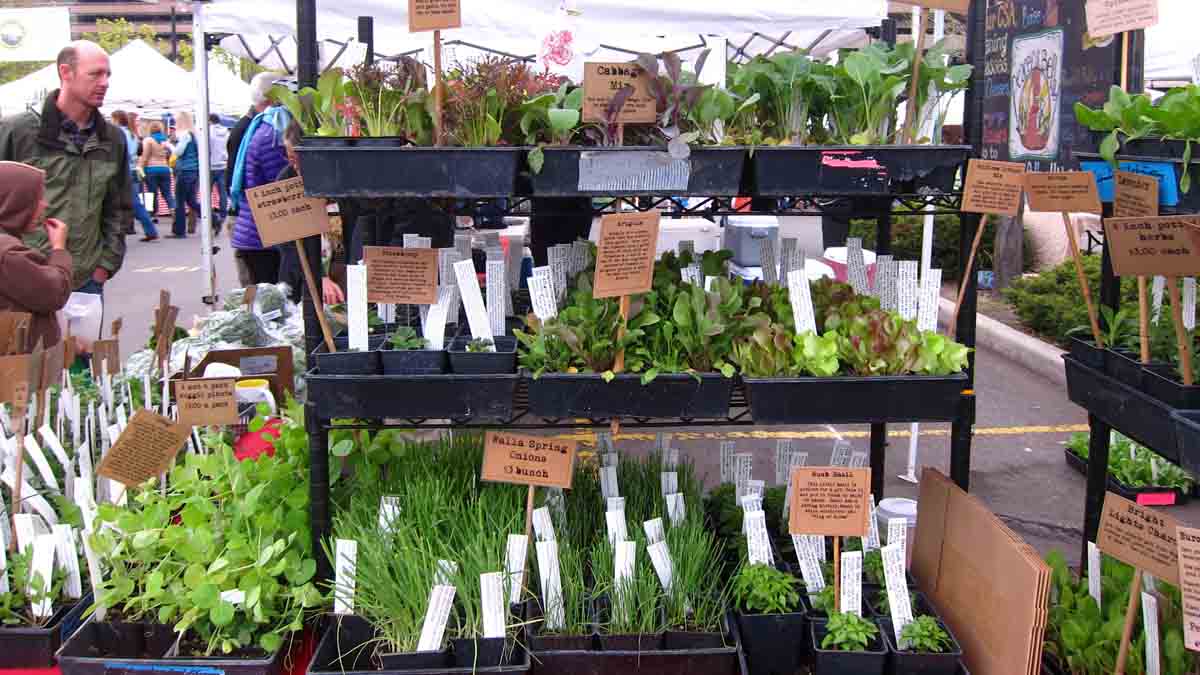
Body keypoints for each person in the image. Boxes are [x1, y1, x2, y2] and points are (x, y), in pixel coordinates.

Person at [0, 40, 128, 297]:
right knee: (34, 340)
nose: (104, 82)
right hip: (25, 279)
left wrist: (105, 266)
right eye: (95, 74)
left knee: (87, 341)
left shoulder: (113, 140)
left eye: (107, 74)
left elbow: (119, 208)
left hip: (87, 281)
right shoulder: (17, 131)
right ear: (65, 73)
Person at [0, 162, 74, 348]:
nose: (44, 204)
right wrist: (59, 249)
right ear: (15, 202)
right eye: (37, 198)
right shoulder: (8, 254)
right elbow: (54, 293)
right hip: (17, 366)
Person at [277, 120, 344, 306]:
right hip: (300, 278)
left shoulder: (338, 179)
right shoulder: (286, 180)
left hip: (340, 276)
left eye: (297, 159)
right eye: (289, 159)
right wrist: (318, 278)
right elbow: (287, 243)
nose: (294, 166)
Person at [230, 102, 292, 285]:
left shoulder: (267, 128)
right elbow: (281, 185)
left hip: (258, 234)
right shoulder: (272, 136)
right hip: (262, 237)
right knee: (271, 302)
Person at [111, 110, 158, 242]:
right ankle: (149, 229)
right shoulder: (133, 135)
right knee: (135, 202)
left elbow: (119, 153)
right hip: (133, 169)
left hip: (123, 171)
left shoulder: (118, 133)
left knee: (130, 203)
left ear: (116, 119)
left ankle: (149, 230)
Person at [169, 111, 202, 238]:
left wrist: (169, 146)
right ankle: (213, 220)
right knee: (191, 201)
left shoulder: (185, 135)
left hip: (184, 170)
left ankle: (179, 231)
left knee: (180, 201)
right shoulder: (194, 135)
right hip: (194, 171)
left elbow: (178, 152)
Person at [139, 120, 174, 220]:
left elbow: (145, 156)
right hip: (165, 168)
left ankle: (152, 215)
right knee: (167, 193)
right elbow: (171, 153)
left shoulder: (148, 140)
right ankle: (173, 208)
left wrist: (141, 167)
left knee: (151, 193)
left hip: (151, 169)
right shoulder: (165, 140)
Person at [208, 113, 229, 221]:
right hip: (223, 164)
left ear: (210, 121)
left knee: (208, 192)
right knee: (223, 192)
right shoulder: (226, 131)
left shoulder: (208, 131)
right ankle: (223, 214)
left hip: (210, 165)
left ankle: (209, 213)